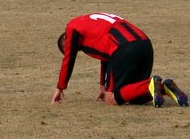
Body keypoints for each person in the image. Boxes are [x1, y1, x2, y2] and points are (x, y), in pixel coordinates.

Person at [52, 12, 188, 107]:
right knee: (134, 97)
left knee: (111, 99)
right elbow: (104, 55)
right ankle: (164, 87)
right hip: (145, 44)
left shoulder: (72, 27)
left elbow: (68, 59)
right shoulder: (91, 21)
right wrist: (102, 85)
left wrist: (60, 88)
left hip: (124, 49)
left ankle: (151, 84)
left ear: (66, 39)